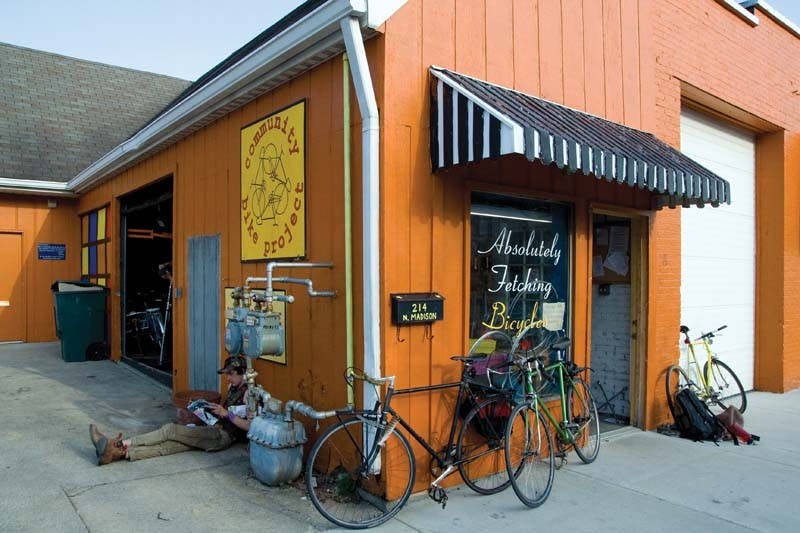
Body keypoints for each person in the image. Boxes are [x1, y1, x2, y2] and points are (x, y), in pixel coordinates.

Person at [90, 355, 251, 465]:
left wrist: (226, 414)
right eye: (226, 374)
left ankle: (120, 443)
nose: (228, 378)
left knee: (170, 430)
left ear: (242, 373)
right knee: (171, 445)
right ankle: (118, 454)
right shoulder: (234, 387)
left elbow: (250, 427)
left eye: (231, 374)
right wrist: (204, 409)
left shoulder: (248, 394)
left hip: (222, 436)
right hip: (214, 428)